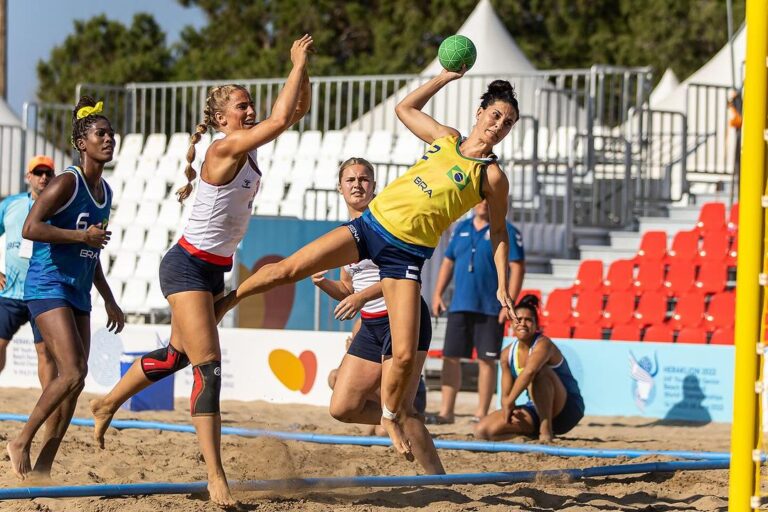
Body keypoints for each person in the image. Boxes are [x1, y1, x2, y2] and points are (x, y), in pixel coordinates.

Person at [213, 70, 520, 460]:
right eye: (495, 116)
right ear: (480, 113)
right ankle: (227, 302)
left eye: (507, 123)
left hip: (407, 256)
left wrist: (503, 284)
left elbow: (499, 233)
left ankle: (391, 416)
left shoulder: (491, 176)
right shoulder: (447, 139)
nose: (499, 126)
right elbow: (404, 107)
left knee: (406, 356)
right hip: (371, 227)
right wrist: (444, 77)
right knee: (290, 269)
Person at [89, 35, 313, 507]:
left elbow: (294, 113)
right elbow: (279, 118)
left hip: (213, 272)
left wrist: (303, 68)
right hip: (186, 267)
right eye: (241, 106)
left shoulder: (246, 147)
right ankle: (216, 477)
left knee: (175, 358)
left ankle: (106, 402)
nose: (249, 111)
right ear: (219, 118)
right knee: (208, 369)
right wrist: (292, 65)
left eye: (250, 105)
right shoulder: (221, 150)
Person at [6, 97, 124, 481]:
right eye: (100, 134)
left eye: (111, 133)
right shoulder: (66, 182)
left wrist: (109, 299)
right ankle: (21, 439)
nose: (109, 139)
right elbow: (30, 228)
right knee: (71, 372)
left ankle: (43, 467)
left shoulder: (104, 190)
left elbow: (92, 251)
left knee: (76, 383)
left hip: (78, 289)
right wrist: (80, 235)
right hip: (47, 285)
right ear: (82, 143)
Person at [313, 157, 443, 474]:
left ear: (374, 186)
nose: (357, 184)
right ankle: (399, 415)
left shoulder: (388, 224)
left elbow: (400, 279)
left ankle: (439, 481)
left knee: (401, 408)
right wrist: (323, 283)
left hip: (404, 317)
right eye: (351, 180)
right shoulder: (346, 233)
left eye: (364, 179)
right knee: (342, 407)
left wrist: (359, 297)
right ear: (340, 188)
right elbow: (349, 288)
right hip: (372, 325)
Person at [430, 199, 525, 424]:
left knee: (486, 360)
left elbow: (518, 267)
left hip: (490, 308)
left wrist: (507, 302)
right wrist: (437, 294)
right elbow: (447, 262)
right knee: (450, 357)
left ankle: (481, 413)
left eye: (488, 199)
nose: (484, 203)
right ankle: (446, 412)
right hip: (460, 304)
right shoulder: (461, 228)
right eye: (480, 199)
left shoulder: (508, 231)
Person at [474, 295, 584, 442]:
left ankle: (546, 430)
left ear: (536, 325)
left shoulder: (543, 344)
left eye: (528, 320)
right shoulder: (507, 354)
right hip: (536, 407)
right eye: (518, 319)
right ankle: (530, 433)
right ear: (512, 324)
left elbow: (529, 372)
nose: (523, 323)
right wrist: (507, 406)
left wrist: (509, 401)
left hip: (567, 409)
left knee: (539, 372)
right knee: (483, 430)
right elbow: (505, 396)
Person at [0, 156, 57, 385]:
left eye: (48, 173)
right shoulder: (10, 204)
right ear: (28, 177)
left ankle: (48, 406)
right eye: (38, 172)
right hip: (11, 291)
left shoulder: (59, 208)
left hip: (42, 291)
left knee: (44, 352)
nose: (43, 177)